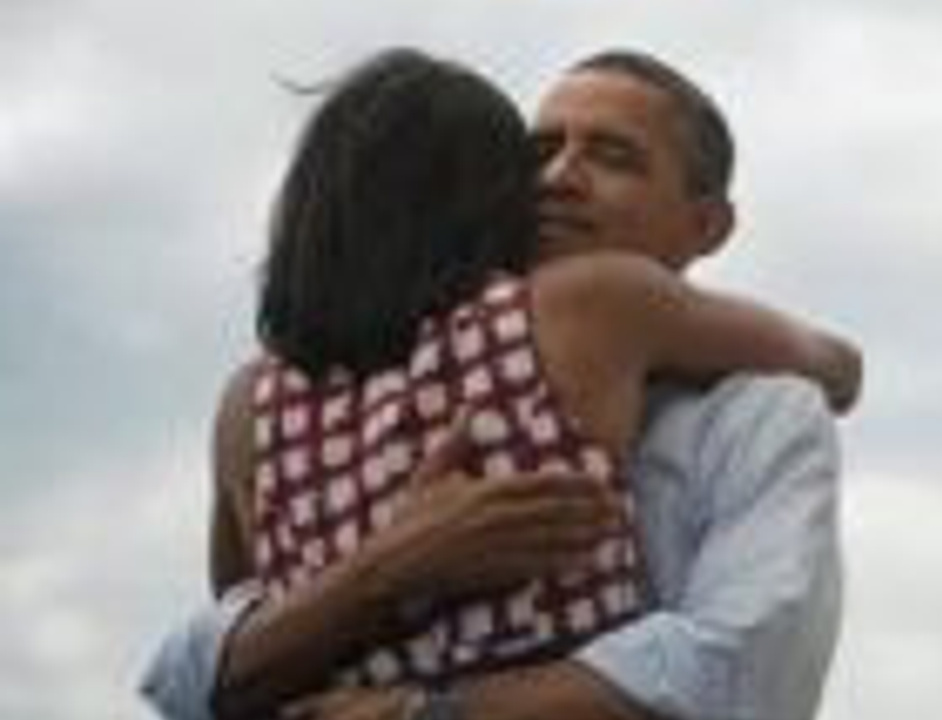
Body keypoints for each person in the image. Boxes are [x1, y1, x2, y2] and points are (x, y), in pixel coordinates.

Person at [143, 47, 855, 720]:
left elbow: (735, 673)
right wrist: (391, 566)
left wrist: (425, 708)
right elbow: (217, 660)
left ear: (706, 225)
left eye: (613, 157)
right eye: (537, 153)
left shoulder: (757, 416)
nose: (558, 178)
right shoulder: (573, 319)